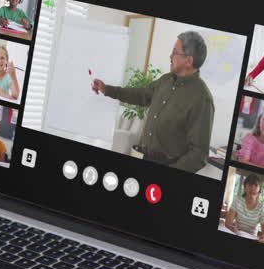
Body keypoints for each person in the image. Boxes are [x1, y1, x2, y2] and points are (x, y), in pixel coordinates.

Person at [91, 31, 215, 173]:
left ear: (188, 60)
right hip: (146, 158)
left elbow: (199, 154)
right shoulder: (166, 80)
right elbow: (141, 95)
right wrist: (107, 89)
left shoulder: (202, 98)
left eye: (174, 52)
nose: (170, 56)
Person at [224, 174, 264, 244]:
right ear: (245, 187)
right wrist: (231, 227)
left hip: (251, 239)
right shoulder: (237, 201)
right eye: (250, 185)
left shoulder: (261, 208)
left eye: (256, 185)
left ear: (259, 188)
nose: (252, 188)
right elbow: (228, 223)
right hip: (235, 234)